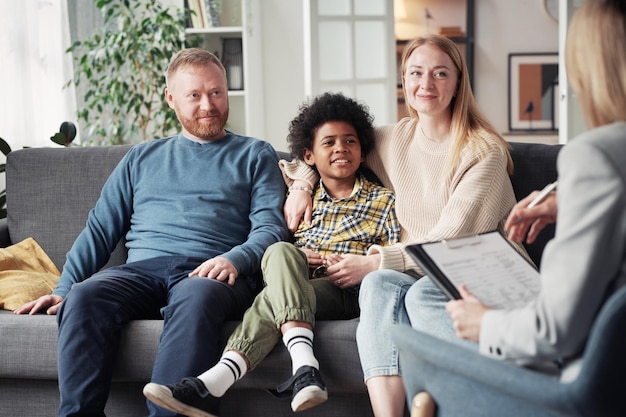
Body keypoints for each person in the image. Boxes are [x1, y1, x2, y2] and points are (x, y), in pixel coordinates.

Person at [13, 48, 289, 417]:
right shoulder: (142, 159)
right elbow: (99, 230)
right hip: (143, 271)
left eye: (217, 92)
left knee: (196, 296)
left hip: (213, 272)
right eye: (194, 95)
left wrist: (234, 258)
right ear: (171, 98)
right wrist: (64, 289)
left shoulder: (255, 155)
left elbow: (271, 227)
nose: (208, 105)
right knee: (84, 297)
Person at [281, 35, 525, 417]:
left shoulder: (483, 151)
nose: (426, 85)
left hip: (479, 267)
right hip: (421, 268)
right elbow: (327, 152)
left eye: (440, 73)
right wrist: (302, 185)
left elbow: (450, 238)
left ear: (458, 83)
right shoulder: (394, 139)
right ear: (405, 80)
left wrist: (378, 260)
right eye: (416, 73)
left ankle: (496, 390)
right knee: (379, 285)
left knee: (413, 291)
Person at [142, 92, 400, 416]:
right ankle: (304, 367)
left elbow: (390, 257)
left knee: (272, 298)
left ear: (362, 152)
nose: (340, 149)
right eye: (329, 143)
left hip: (345, 286)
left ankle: (220, 379)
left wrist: (361, 263)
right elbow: (277, 235)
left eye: (350, 141)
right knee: (280, 250)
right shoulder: (299, 197)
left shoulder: (383, 200)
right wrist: (301, 248)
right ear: (309, 155)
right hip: (299, 279)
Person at [442, 0, 626, 381]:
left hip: (593, 382)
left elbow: (553, 331)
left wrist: (485, 325)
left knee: (419, 334)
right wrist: (568, 197)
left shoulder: (594, 155)